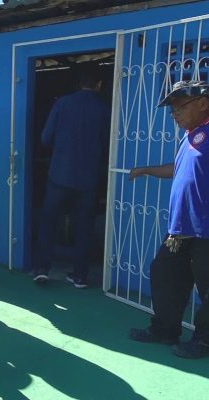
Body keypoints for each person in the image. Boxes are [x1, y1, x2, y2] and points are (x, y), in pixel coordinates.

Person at [129, 80, 209, 359]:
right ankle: (165, 329)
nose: (174, 114)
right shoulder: (190, 135)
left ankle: (203, 341)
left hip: (205, 230)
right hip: (181, 228)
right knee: (165, 276)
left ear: (203, 103)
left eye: (179, 107)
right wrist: (148, 169)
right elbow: (179, 170)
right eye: (172, 110)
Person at [32, 70, 110, 288]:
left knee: (48, 222)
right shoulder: (103, 108)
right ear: (99, 84)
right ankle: (80, 276)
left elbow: (46, 137)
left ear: (79, 83)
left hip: (59, 175)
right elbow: (108, 145)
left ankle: (41, 269)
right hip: (89, 179)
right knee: (84, 227)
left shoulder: (63, 104)